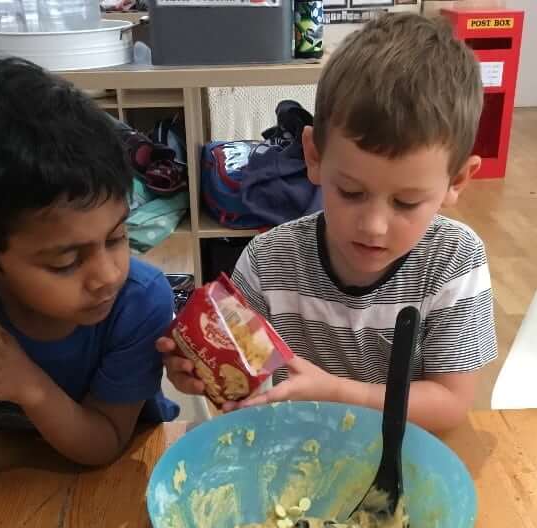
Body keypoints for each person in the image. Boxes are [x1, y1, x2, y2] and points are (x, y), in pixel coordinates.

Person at [158, 13, 497, 433]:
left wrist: (336, 392)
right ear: (314, 158)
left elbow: (449, 405)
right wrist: (201, 368)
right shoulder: (268, 261)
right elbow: (244, 386)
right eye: (351, 193)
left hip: (397, 454)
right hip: (294, 446)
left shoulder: (453, 259)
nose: (373, 226)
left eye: (406, 202)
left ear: (456, 181)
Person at [0, 58, 177, 478]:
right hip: (5, 476)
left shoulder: (138, 302)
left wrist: (26, 383)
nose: (107, 275)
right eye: (66, 261)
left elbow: (105, 443)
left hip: (114, 475)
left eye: (118, 237)